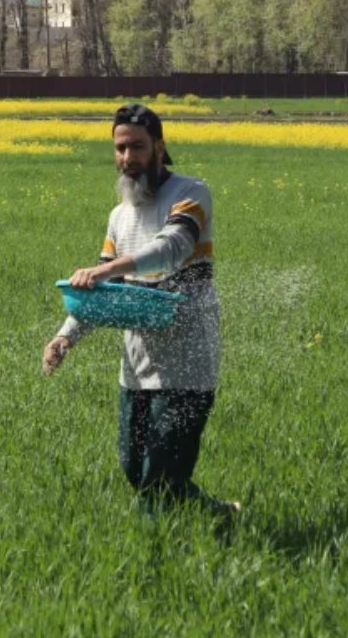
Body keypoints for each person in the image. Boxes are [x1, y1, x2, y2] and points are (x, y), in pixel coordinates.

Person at [42, 103, 239, 518]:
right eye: (120, 148)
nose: (127, 158)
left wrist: (107, 268)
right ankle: (217, 515)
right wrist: (65, 336)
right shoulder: (119, 216)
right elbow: (106, 288)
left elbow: (172, 248)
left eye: (137, 147)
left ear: (159, 146)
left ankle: (159, 557)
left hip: (188, 364)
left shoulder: (191, 192)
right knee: (136, 470)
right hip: (136, 366)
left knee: (159, 478)